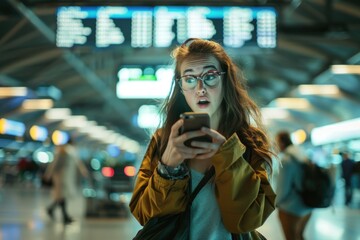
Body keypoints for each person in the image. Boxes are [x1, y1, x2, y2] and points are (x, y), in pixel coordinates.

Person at [129, 38, 277, 239]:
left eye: (210, 76)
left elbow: (248, 219)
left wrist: (228, 155)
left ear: (225, 80)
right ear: (181, 87)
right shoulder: (164, 140)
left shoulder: (248, 141)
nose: (200, 88)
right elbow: (144, 215)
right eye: (189, 79)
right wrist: (168, 169)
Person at [275, 131, 312, 240]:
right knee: (299, 236)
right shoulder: (301, 154)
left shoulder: (287, 159)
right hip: (307, 205)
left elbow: (283, 188)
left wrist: (276, 202)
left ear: (281, 143)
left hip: (291, 208)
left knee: (291, 237)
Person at [44, 137, 88, 224]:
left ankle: (53, 210)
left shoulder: (67, 150)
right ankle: (64, 216)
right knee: (62, 196)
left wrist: (48, 174)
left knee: (61, 196)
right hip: (61, 178)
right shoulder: (66, 150)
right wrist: (48, 174)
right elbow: (56, 163)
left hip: (64, 177)